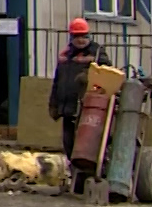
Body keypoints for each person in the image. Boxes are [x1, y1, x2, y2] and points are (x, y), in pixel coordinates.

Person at [48, 17, 112, 162]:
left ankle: (92, 170)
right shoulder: (66, 56)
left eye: (84, 36)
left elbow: (106, 73)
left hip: (88, 107)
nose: (81, 40)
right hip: (68, 108)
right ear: (71, 37)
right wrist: (53, 104)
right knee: (68, 143)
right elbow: (58, 81)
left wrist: (89, 70)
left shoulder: (97, 53)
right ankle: (75, 172)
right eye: (77, 37)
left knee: (87, 144)